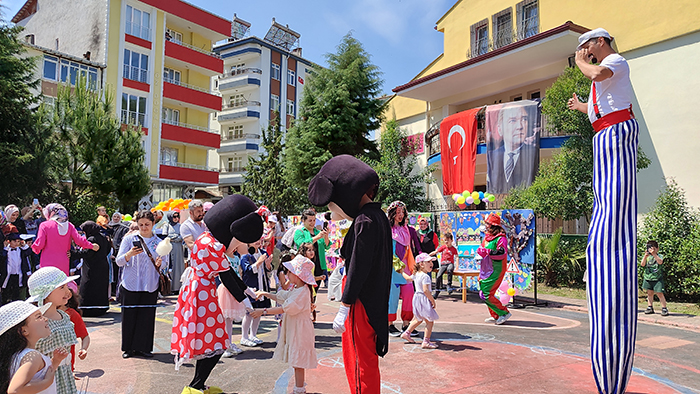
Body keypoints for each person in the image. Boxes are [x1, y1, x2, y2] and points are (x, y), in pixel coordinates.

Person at [567, 28, 639, 394]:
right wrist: (582, 106)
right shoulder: (605, 75)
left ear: (600, 42)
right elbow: (599, 107)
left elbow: (598, 75)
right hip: (604, 133)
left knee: (612, 213)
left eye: (587, 46)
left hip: (616, 133)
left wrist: (581, 61)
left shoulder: (614, 61)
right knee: (605, 205)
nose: (585, 52)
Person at [308, 155, 392, 394]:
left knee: (357, 360)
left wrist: (345, 304)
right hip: (372, 299)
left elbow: (358, 266)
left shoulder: (364, 221)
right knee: (365, 360)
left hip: (360, 302)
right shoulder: (378, 217)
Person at [171, 194, 263, 394]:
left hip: (201, 293)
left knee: (210, 344)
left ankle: (197, 385)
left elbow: (227, 271)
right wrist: (245, 300)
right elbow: (227, 276)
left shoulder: (207, 239)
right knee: (215, 343)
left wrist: (246, 291)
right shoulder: (211, 245)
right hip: (201, 296)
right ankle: (194, 387)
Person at [251, 254, 318, 394]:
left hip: (300, 330)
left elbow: (284, 307)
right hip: (296, 329)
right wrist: (266, 294)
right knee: (296, 361)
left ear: (298, 275)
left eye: (290, 271)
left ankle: (299, 389)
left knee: (298, 362)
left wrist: (263, 311)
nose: (287, 274)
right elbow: (282, 298)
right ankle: (299, 388)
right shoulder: (297, 289)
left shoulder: (302, 292)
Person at [115, 210, 169, 359]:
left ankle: (144, 347)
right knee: (129, 317)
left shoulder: (160, 242)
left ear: (153, 224)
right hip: (130, 284)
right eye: (141, 224)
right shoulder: (129, 240)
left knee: (146, 318)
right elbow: (119, 261)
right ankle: (128, 348)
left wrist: (160, 263)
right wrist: (129, 254)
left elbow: (165, 263)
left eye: (147, 224)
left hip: (150, 284)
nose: (144, 227)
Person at [27, 267, 81, 394]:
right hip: (45, 376)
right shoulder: (37, 322)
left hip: (65, 375)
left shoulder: (65, 316)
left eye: (66, 287)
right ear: (45, 292)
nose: (68, 291)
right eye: (61, 287)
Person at [0, 300, 66, 394]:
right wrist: (46, 383)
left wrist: (55, 362)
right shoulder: (32, 356)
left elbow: (39, 374)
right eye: (38, 317)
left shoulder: (19, 355)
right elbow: (15, 390)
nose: (46, 319)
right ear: (24, 331)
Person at [487, 102, 540, 194]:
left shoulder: (532, 154)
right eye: (512, 121)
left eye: (524, 119)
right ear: (500, 129)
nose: (520, 126)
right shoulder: (492, 157)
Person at [32, 204, 98, 276]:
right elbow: (79, 241)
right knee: (62, 284)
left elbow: (39, 245)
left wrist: (34, 248)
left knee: (48, 285)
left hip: (47, 261)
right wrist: (92, 246)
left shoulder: (44, 225)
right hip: (63, 261)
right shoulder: (69, 225)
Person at [387, 201, 422, 337]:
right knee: (392, 298)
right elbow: (387, 250)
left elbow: (410, 249)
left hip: (406, 270)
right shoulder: (387, 229)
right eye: (398, 212)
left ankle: (406, 324)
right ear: (392, 214)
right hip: (393, 270)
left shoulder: (407, 229)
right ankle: (390, 324)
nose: (400, 215)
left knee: (409, 295)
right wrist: (396, 263)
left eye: (402, 212)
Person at [400, 253, 439, 349]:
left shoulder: (417, 274)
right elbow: (426, 290)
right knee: (429, 321)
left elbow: (408, 279)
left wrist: (401, 271)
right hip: (423, 299)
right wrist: (432, 300)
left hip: (417, 297)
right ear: (421, 264)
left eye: (431, 262)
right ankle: (426, 341)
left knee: (418, 318)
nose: (431, 264)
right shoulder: (426, 277)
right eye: (428, 262)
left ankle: (407, 333)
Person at [477, 213, 511, 325]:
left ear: (493, 225)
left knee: (486, 293)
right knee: (483, 293)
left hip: (496, 269)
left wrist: (487, 252)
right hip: (485, 269)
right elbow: (484, 250)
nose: (485, 226)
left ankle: (503, 313)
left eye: (487, 224)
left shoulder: (501, 238)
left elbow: (501, 252)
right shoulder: (487, 237)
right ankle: (495, 315)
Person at [71, 222, 110, 317]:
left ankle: (87, 309)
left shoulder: (92, 239)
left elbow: (87, 253)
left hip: (92, 267)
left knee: (88, 287)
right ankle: (102, 308)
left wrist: (73, 254)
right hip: (103, 266)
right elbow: (108, 249)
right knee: (101, 288)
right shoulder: (103, 237)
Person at [239, 239, 272, 347]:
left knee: (259, 312)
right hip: (251, 288)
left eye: (259, 239)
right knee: (249, 313)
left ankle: (253, 335)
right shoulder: (245, 256)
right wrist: (259, 262)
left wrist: (268, 265)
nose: (257, 241)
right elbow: (247, 271)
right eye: (254, 239)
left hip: (262, 286)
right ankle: (244, 337)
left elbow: (269, 270)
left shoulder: (263, 253)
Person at [217, 253, 246, 358]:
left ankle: (228, 342)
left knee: (229, 319)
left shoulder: (237, 258)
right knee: (224, 319)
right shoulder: (223, 257)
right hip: (225, 290)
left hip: (234, 290)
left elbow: (238, 273)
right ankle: (223, 345)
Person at [293, 209, 330, 289]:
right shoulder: (299, 232)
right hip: (305, 266)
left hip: (319, 265)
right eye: (310, 220)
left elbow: (327, 246)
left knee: (314, 293)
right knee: (305, 291)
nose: (312, 223)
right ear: (303, 220)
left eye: (314, 220)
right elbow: (302, 244)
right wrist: (317, 237)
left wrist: (326, 235)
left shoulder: (318, 231)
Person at [58, 290, 89, 375]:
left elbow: (85, 336)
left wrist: (83, 349)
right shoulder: (41, 315)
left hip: (66, 365)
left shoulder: (72, 314)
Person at [1, 233, 33, 304]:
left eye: (18, 241)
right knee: (6, 292)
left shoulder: (21, 250)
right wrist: (5, 248)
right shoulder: (6, 250)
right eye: (14, 241)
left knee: (17, 293)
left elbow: (29, 252)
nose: (16, 243)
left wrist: (24, 245)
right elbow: (2, 258)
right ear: (9, 241)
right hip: (8, 275)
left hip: (18, 274)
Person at [641, 240, 668, 316]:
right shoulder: (647, 256)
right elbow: (642, 264)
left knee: (659, 293)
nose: (651, 250)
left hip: (657, 278)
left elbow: (660, 262)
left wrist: (654, 254)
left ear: (657, 248)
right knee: (649, 293)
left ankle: (664, 308)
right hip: (648, 278)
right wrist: (645, 256)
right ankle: (650, 307)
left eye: (653, 248)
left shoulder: (659, 256)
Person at [430, 233, 458, 297]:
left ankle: (449, 285)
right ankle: (437, 290)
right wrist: (428, 255)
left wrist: (457, 266)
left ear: (451, 240)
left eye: (448, 240)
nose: (446, 242)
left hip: (450, 263)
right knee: (438, 276)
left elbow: (456, 257)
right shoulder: (443, 247)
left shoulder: (453, 249)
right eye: (445, 240)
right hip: (443, 264)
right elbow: (435, 252)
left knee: (449, 269)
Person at [165, 211, 185, 293]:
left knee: (178, 266)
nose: (176, 218)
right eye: (174, 217)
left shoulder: (180, 226)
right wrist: (173, 237)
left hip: (178, 248)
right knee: (169, 266)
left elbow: (182, 236)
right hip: (169, 248)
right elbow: (165, 235)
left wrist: (174, 238)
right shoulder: (166, 225)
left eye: (177, 216)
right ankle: (169, 287)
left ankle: (178, 287)